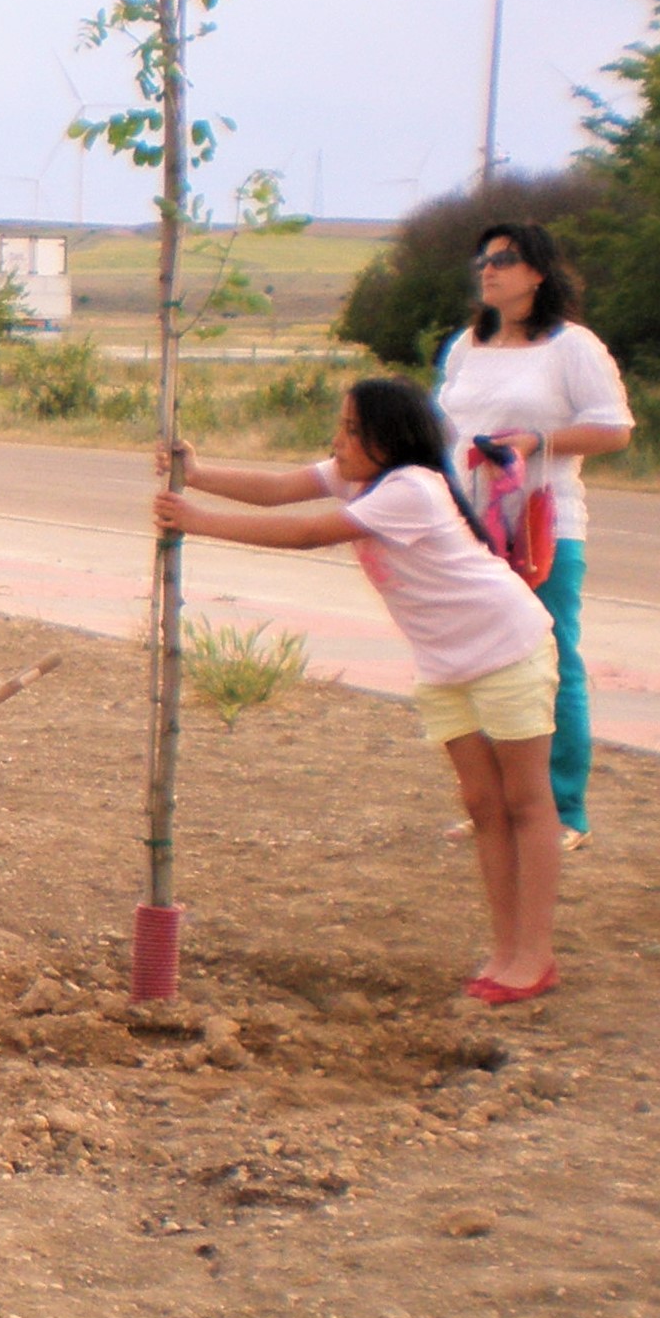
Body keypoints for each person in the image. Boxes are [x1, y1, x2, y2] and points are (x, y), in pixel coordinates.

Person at [155, 378, 561, 1003]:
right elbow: (278, 490)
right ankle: (505, 948)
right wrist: (198, 472)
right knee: (483, 804)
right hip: (445, 664)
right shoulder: (362, 476)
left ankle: (533, 956)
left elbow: (309, 533)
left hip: (507, 647)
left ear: (389, 437)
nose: (338, 442)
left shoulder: (412, 489)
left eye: (350, 429)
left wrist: (199, 522)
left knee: (525, 802)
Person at [432, 221, 632, 850]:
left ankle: (563, 809)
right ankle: (498, 803)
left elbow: (613, 428)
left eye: (505, 260)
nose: (489, 270)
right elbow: (446, 428)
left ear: (537, 272)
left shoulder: (572, 347)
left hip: (543, 525)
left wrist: (536, 441)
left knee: (551, 660)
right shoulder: (469, 345)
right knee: (480, 665)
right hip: (468, 524)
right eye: (483, 260)